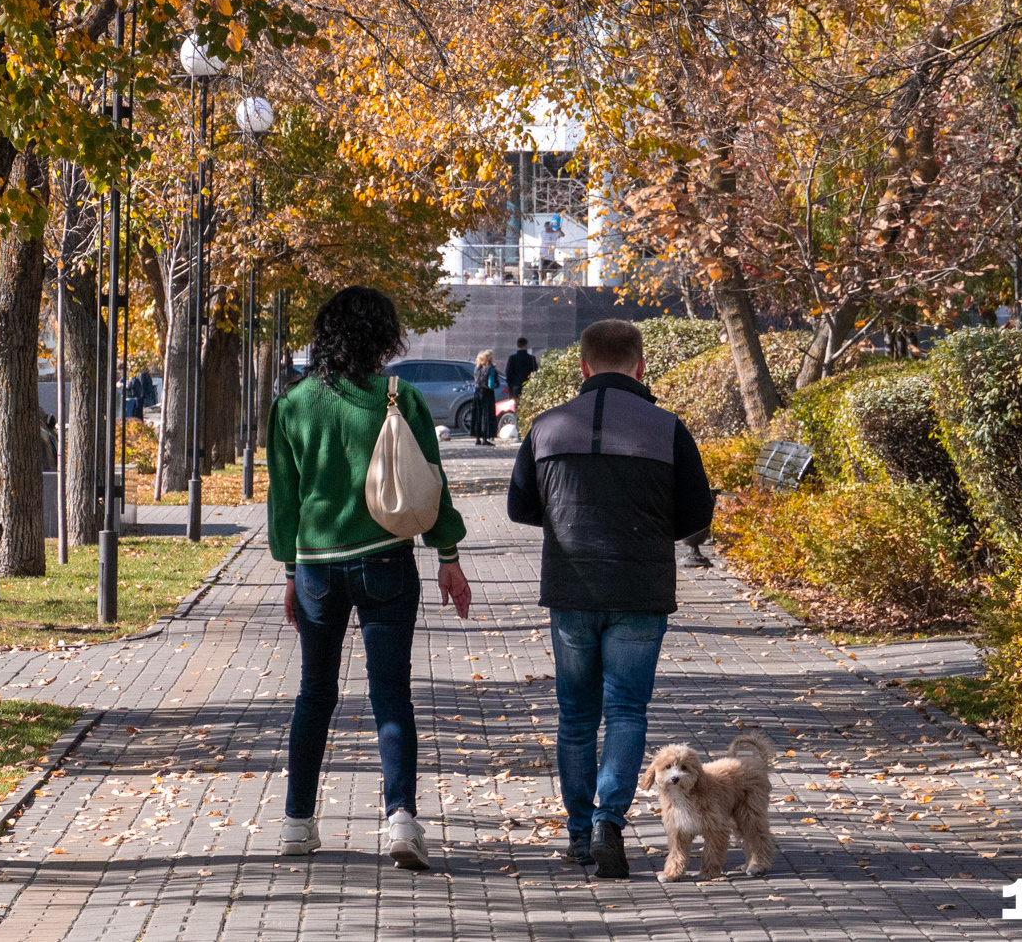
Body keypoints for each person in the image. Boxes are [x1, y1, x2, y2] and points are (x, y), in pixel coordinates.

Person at [268, 286, 472, 870]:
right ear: (383, 337)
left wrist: (290, 568)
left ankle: (296, 823)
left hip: (316, 572)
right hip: (386, 560)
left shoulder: (293, 403)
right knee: (391, 694)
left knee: (314, 695)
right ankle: (401, 821)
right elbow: (430, 483)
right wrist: (448, 555)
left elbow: (284, 502)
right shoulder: (397, 396)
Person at [506, 318, 714, 878]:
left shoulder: (547, 427)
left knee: (576, 715)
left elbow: (519, 508)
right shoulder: (667, 429)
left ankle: (579, 834)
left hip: (571, 586)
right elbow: (698, 514)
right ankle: (609, 822)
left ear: (583, 366)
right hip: (640, 588)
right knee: (626, 709)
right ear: (640, 365)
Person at [470, 349, 500, 446]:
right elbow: (491, 384)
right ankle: (485, 438)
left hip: (477, 393)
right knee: (486, 415)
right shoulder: (490, 368)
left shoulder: (477, 368)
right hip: (487, 393)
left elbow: (476, 382)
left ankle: (477, 438)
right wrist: (496, 384)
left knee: (477, 415)